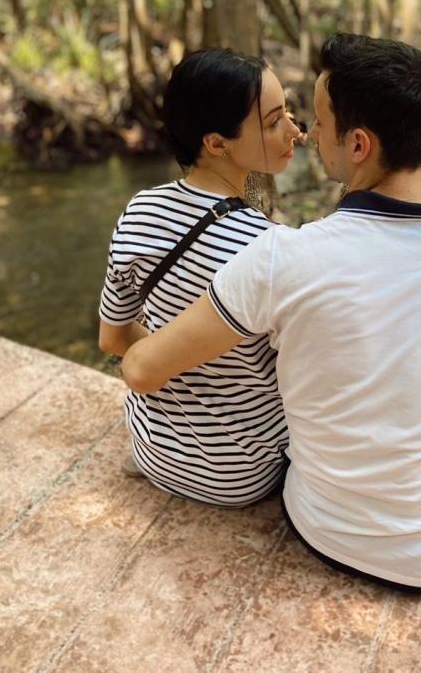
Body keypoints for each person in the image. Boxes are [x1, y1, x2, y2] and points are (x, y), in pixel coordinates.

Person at [120, 33, 421, 591]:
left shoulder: (281, 258)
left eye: (319, 121)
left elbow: (141, 368)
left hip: (319, 528)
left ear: (358, 145)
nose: (306, 133)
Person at [98, 48, 301, 506]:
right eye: (273, 122)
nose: (294, 130)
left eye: (288, 112)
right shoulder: (271, 248)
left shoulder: (139, 212)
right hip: (241, 476)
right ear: (216, 143)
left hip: (153, 451)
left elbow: (112, 338)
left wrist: (184, 359)